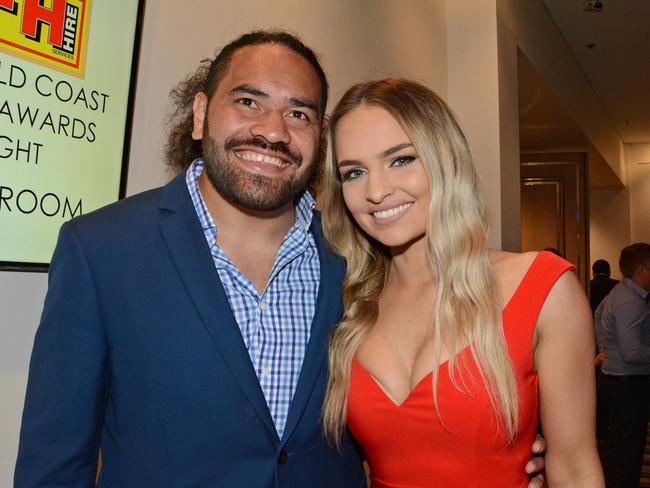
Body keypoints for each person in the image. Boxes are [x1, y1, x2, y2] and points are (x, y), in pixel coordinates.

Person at [14, 32, 546, 487]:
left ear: (320, 139)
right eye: (248, 102)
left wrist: (508, 449)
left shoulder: (358, 253)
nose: (273, 131)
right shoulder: (102, 249)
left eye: (299, 113)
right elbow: (56, 461)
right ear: (200, 115)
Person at [320, 78, 604, 487]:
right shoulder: (347, 303)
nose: (377, 191)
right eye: (354, 172)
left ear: (444, 160)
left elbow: (576, 470)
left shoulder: (542, 289)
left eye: (401, 159)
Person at [595, 243, 650, 488]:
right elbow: (633, 352)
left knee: (620, 449)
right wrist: (609, 349)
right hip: (627, 384)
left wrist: (605, 348)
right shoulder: (632, 302)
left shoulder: (618, 292)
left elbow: (598, 314)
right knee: (627, 454)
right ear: (642, 271)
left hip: (615, 380)